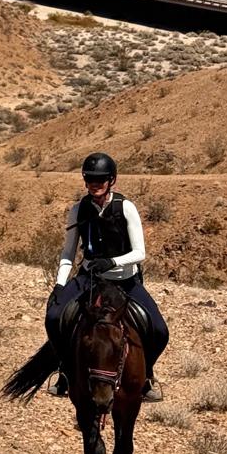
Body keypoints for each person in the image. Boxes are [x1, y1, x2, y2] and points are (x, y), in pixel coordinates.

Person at [45, 151, 168, 401]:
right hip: (90, 278)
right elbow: (68, 252)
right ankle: (65, 372)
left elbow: (139, 252)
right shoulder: (78, 210)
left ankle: (146, 376)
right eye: (90, 179)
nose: (95, 184)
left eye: (100, 179)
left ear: (111, 180)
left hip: (125, 280)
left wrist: (111, 261)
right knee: (54, 316)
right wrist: (59, 283)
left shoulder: (126, 208)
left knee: (159, 330)